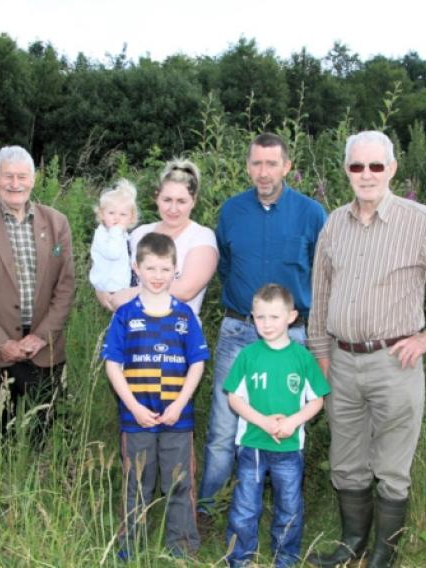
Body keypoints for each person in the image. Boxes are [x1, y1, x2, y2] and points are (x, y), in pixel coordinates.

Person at [307, 131, 426, 568]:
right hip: (341, 362)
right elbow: (321, 294)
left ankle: (383, 555)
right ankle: (352, 544)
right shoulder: (334, 223)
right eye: (356, 166)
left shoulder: (420, 221)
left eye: (375, 166)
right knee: (346, 462)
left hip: (395, 364)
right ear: (346, 170)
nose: (365, 175)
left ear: (392, 169)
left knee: (391, 467)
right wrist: (321, 357)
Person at [197, 133, 327, 523]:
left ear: (287, 166)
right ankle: (207, 509)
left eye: (272, 163)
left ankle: (284, 510)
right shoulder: (232, 211)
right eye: (256, 163)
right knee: (223, 426)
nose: (264, 172)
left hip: (294, 336)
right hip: (239, 330)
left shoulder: (311, 213)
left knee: (288, 422)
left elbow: (323, 275)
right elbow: (224, 266)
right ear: (247, 166)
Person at [0, 145, 75, 465]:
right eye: (8, 176)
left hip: (42, 346)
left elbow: (65, 286)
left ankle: (34, 495)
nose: (15, 183)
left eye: (22, 176)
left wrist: (42, 336)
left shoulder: (57, 222)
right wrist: (0, 342)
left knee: (40, 431)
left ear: (33, 179)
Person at [101, 232, 210, 560]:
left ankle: (182, 547)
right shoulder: (125, 315)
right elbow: (112, 365)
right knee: (137, 485)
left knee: (179, 485)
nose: (158, 276)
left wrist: (179, 404)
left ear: (176, 270)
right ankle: (130, 545)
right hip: (136, 419)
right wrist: (132, 406)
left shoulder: (184, 316)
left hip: (177, 419)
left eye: (165, 269)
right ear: (137, 268)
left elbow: (198, 363)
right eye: (151, 269)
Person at [223, 284, 330, 568]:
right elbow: (234, 398)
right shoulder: (248, 356)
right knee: (246, 507)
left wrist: (293, 421)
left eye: (274, 317)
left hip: (290, 447)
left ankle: (285, 558)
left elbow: (317, 399)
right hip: (252, 445)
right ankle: (240, 558)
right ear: (252, 317)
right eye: (260, 317)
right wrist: (264, 422)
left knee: (289, 507)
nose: (267, 324)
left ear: (291, 317)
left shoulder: (302, 357)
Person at [97, 158, 218, 316]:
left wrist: (131, 293)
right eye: (167, 200)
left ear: (193, 201)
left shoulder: (202, 237)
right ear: (156, 197)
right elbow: (111, 265)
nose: (173, 209)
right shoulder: (138, 233)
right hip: (128, 332)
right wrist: (101, 289)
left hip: (175, 334)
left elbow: (185, 290)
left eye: (181, 201)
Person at [89, 178, 138, 292]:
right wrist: (116, 231)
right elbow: (113, 253)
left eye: (123, 214)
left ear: (131, 218)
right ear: (102, 214)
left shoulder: (122, 235)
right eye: (111, 213)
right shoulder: (102, 235)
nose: (117, 218)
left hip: (122, 286)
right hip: (110, 287)